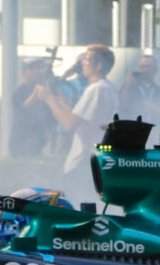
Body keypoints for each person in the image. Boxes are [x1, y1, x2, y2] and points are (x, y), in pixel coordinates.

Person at [34, 43, 124, 198]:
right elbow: (79, 115)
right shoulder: (107, 88)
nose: (82, 63)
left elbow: (69, 124)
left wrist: (49, 99)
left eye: (86, 59)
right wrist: (58, 97)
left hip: (83, 162)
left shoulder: (96, 89)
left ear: (98, 66)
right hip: (93, 160)